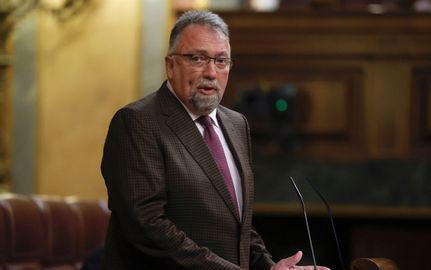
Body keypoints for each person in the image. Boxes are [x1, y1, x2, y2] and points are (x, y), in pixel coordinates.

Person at [101, 10, 329, 270]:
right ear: (170, 65)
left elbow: (236, 224)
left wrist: (268, 267)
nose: (211, 72)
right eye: (197, 58)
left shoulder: (236, 124)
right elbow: (147, 224)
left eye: (221, 61)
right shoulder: (137, 122)